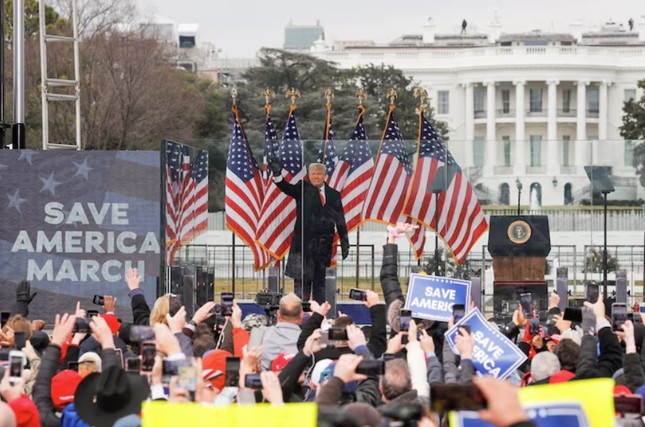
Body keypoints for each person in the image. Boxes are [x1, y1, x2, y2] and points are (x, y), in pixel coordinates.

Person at [270, 159, 349, 303]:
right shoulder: (302, 189)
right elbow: (285, 187)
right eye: (313, 174)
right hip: (303, 249)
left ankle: (318, 317)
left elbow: (340, 220)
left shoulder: (333, 195)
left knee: (320, 289)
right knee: (302, 291)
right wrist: (277, 174)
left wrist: (345, 242)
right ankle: (301, 318)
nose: (316, 177)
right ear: (309, 175)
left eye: (319, 174)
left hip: (322, 250)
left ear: (325, 175)